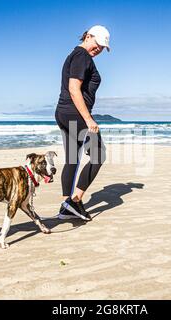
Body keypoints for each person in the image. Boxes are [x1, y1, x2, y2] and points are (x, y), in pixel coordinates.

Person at [54, 25, 110, 220]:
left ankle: (66, 207)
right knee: (98, 155)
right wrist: (88, 119)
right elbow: (73, 88)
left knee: (72, 158)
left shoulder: (76, 55)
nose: (99, 49)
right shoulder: (82, 56)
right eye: (98, 43)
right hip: (75, 114)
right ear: (88, 36)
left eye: (103, 47)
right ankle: (74, 201)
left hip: (64, 112)